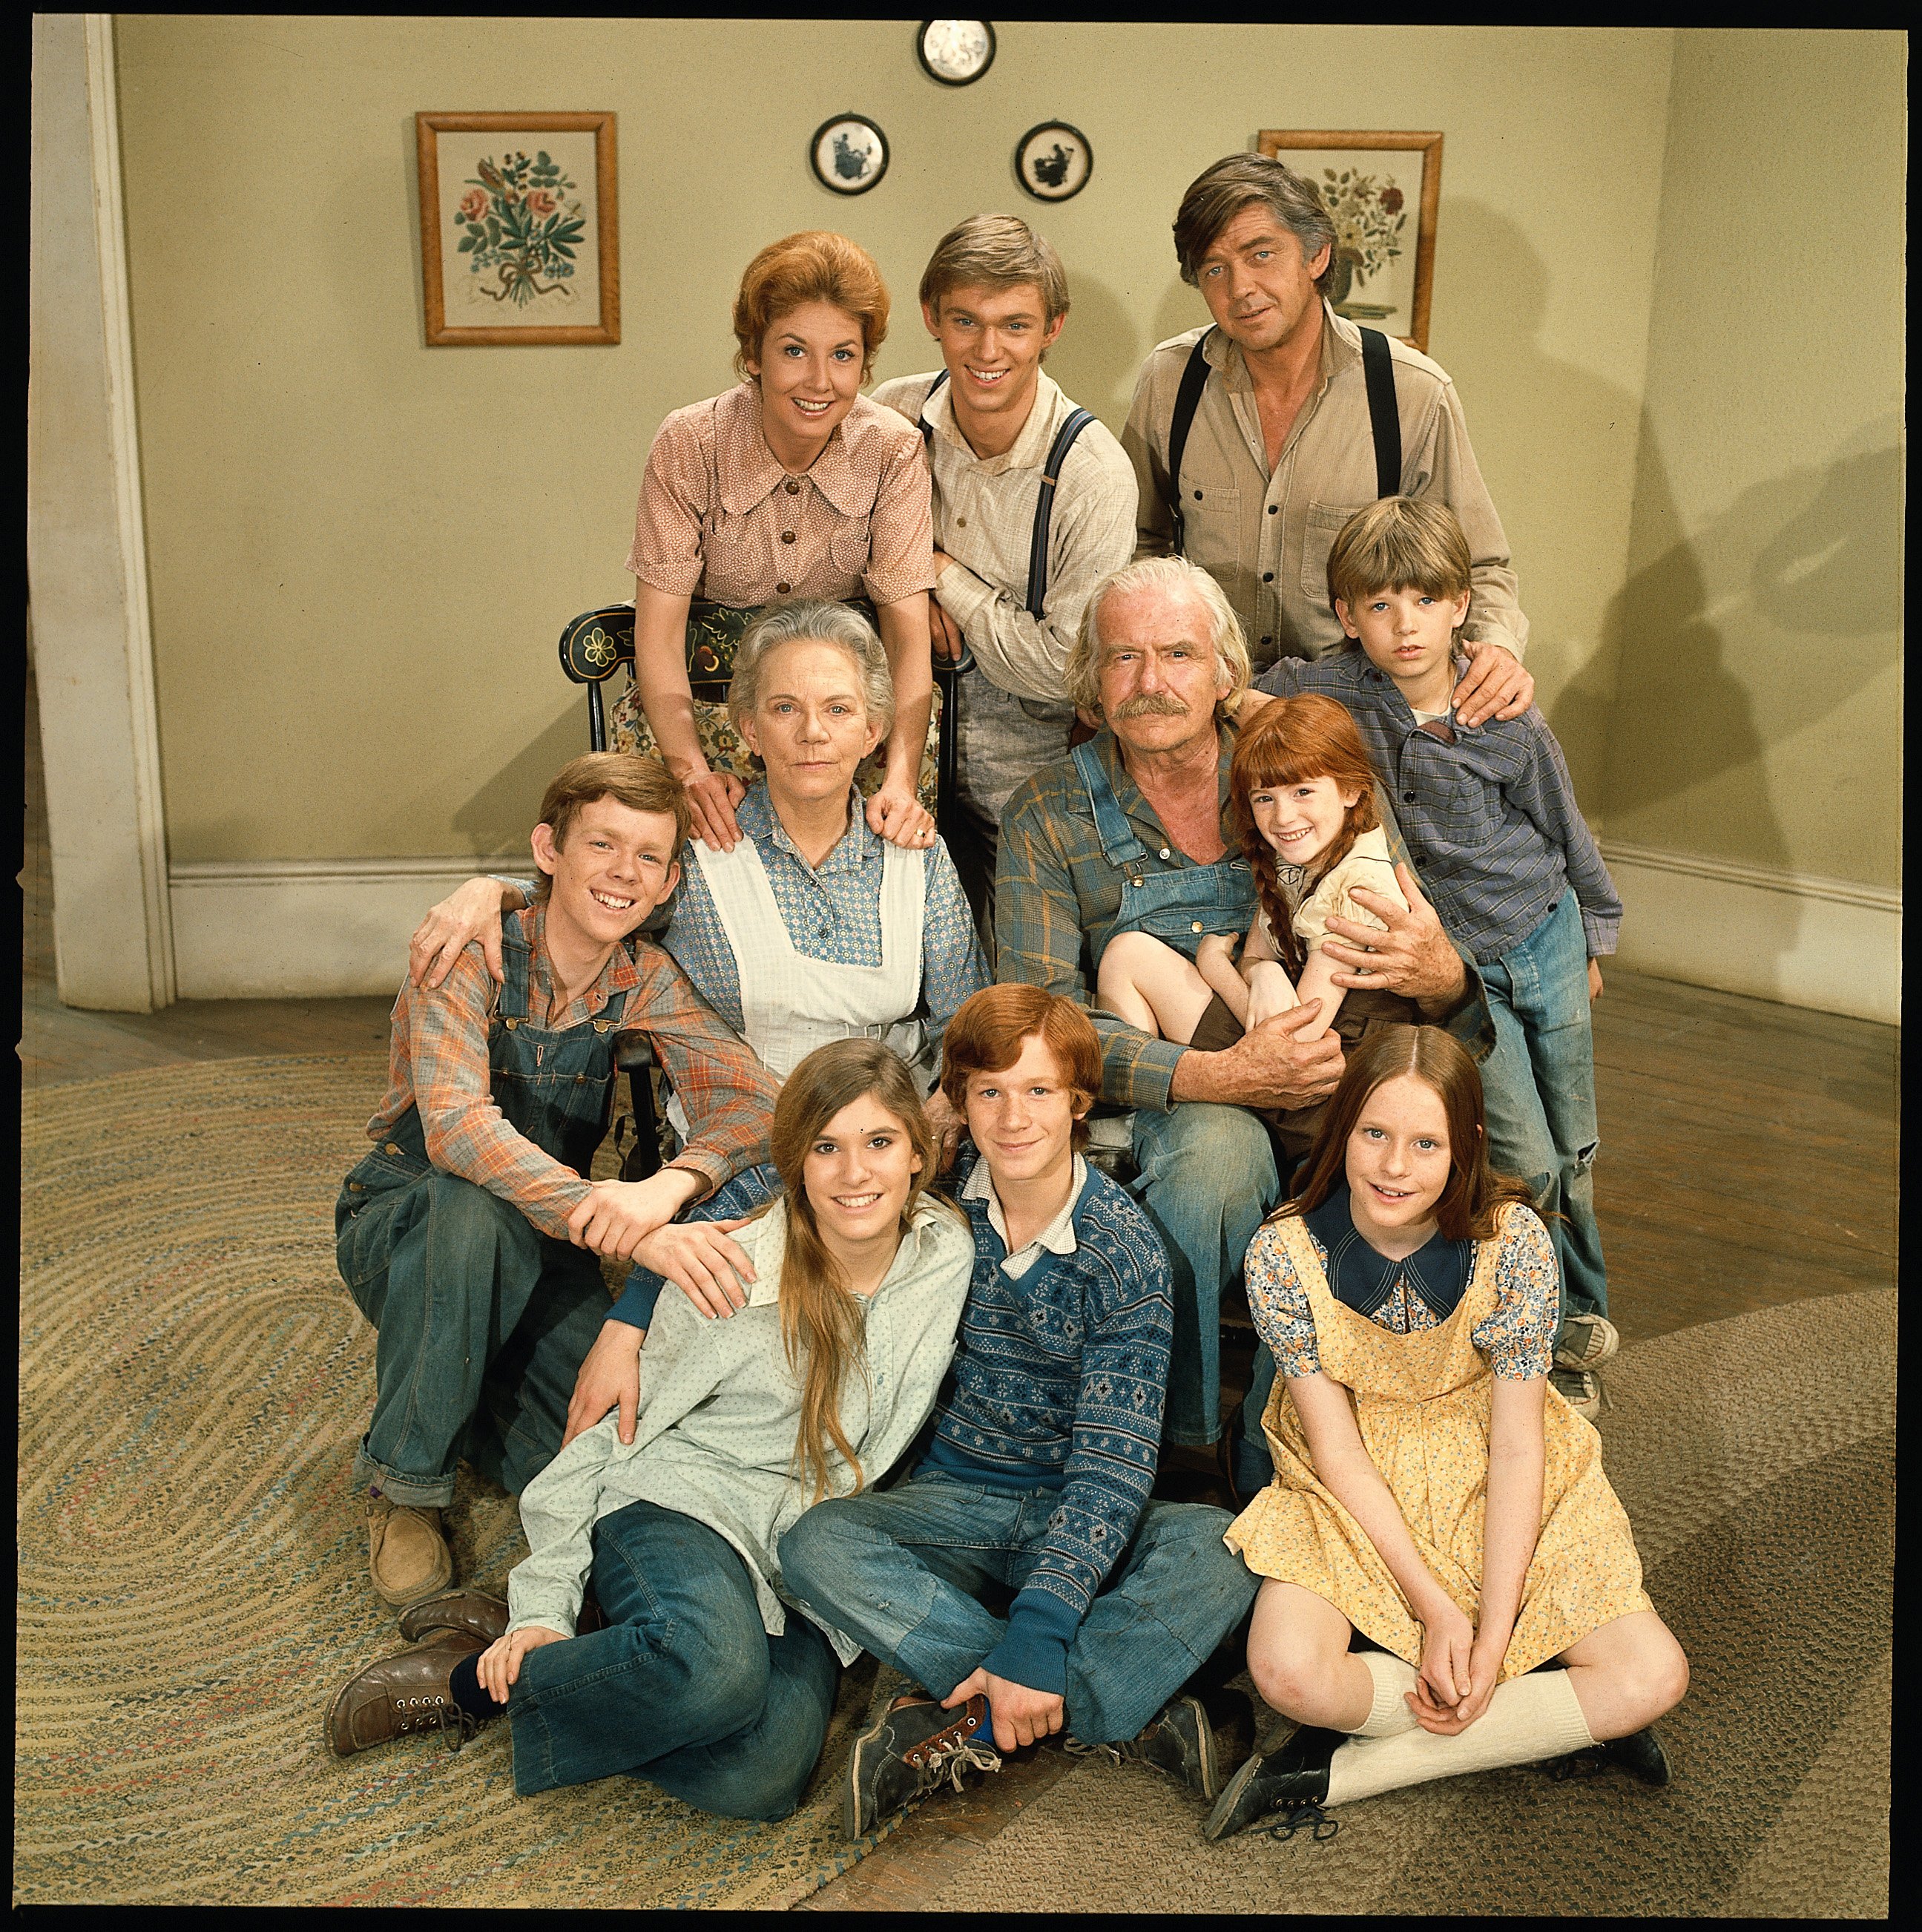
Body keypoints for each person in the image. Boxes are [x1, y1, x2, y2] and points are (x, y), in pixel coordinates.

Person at [322, 1040, 976, 1824]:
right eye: (825, 1148)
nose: (854, 1173)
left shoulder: (945, 1254)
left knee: (757, 1779)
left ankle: (585, 1657)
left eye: (878, 1143)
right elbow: (609, 1442)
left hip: (799, 1552)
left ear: (917, 1152)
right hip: (680, 1505)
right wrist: (544, 1598)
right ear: (795, 1164)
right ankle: (463, 1683)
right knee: (716, 1677)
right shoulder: (729, 1271)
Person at [407, 600, 991, 1430]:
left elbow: (963, 1023)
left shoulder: (914, 851)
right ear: (747, 727)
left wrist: (935, 1124)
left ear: (872, 731)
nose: (812, 734)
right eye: (785, 709)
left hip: (902, 1139)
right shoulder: (696, 848)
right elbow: (592, 896)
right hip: (749, 1139)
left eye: (837, 711)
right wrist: (490, 894)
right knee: (705, 1331)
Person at [995, 553, 1493, 1484]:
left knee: (1367, 1178)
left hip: (1338, 1075)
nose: (1151, 683)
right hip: (1191, 1080)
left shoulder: (1295, 769)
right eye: (1123, 659)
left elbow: (1433, 989)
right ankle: (1172, 1439)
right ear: (1090, 687)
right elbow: (1036, 1024)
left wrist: (1438, 978)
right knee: (1214, 1166)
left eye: (1178, 653)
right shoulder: (1048, 814)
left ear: (1225, 672)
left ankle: (1284, 1441)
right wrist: (1215, 1075)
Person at [779, 985, 1260, 1839]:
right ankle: (1110, 1702)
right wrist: (636, 1301)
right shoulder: (931, 1208)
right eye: (989, 1091)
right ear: (957, 1100)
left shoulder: (1125, 1254)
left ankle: (967, 1717)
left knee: (1229, 1548)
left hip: (1078, 1507)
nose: (1013, 1117)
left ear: (1078, 1101)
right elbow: (777, 1198)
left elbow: (1112, 1472)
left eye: (1038, 1091)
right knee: (816, 1542)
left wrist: (1038, 1623)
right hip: (953, 1503)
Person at [1203, 1025, 1687, 1839]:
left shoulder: (1515, 1244)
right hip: (1352, 1476)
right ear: (1342, 1127)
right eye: (1374, 1134)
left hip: (1494, 1460)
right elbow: (1336, 1452)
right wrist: (1436, 1612)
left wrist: (1491, 1633)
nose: (1394, 1167)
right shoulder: (1281, 1254)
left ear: (1462, 1146)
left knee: (1654, 1674)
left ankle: (1334, 1774)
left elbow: (1516, 1445)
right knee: (1287, 1674)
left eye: (1424, 1143)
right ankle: (1553, 1717)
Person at [334, 754, 780, 1609]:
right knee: (473, 1215)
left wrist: (672, 1184)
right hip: (410, 1217)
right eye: (602, 845)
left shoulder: (638, 977)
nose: (623, 873)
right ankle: (404, 1484)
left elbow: (751, 1101)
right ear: (548, 849)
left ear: (667, 882)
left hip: (546, 1239)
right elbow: (460, 1132)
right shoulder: (466, 950)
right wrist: (625, 1228)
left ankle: (458, 1388)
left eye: (647, 858)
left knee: (598, 1429)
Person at [1254, 495, 1623, 1416]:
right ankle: (1547, 1323)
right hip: (1452, 970)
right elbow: (1243, 689)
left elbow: (1567, 838)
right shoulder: (1335, 689)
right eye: (1377, 605)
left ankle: (1587, 1309)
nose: (1401, 624)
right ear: (1347, 617)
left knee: (1572, 1143)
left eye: (1423, 600)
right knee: (1519, 1151)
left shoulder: (1505, 717)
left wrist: (1598, 934)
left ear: (1462, 603)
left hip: (1539, 935)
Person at [1122, 151, 1533, 731]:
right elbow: (1136, 544)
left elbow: (1479, 563)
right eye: (1214, 269)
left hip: (1358, 720)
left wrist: (1496, 648)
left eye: (1261, 255)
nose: (1241, 288)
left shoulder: (1410, 391)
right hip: (1211, 713)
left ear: (1316, 255)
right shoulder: (1169, 381)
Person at [619, 229, 937, 854]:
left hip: (838, 729)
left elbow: (907, 635)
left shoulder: (894, 449)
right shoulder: (689, 442)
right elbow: (657, 634)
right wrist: (691, 773)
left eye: (843, 355)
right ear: (754, 355)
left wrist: (900, 779)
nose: (819, 381)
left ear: (865, 364)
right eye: (795, 351)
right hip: (703, 718)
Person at [871, 213, 1138, 917]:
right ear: (931, 316)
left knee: (1008, 990)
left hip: (1026, 781)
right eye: (966, 321)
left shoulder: (1093, 474)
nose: (988, 350)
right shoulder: (884, 418)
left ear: (1052, 327)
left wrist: (942, 577)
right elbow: (827, 560)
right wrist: (906, 587)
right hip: (881, 758)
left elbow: (1063, 670)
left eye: (1014, 326)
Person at [1096, 692, 1413, 1065]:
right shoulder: (1299, 859)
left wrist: (1215, 967)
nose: (1283, 817)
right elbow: (1256, 955)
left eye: (1303, 792)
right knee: (1127, 952)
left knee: (1127, 958)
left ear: (1350, 790)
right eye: (1265, 798)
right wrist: (1263, 972)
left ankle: (1144, 1098)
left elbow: (1298, 1038)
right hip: (1294, 1038)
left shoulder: (1358, 884)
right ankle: (1144, 1098)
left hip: (1335, 1071)